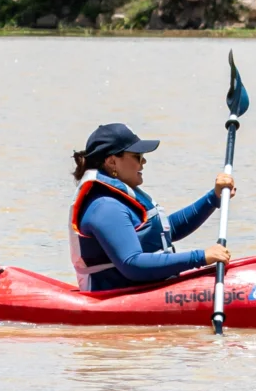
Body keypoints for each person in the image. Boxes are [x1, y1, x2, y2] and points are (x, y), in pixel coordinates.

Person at [68, 120, 235, 294]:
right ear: (112, 162)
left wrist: (213, 198)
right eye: (137, 156)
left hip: (145, 289)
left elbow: (166, 230)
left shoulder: (117, 199)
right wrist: (200, 257)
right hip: (118, 298)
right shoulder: (105, 207)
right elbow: (132, 264)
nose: (144, 161)